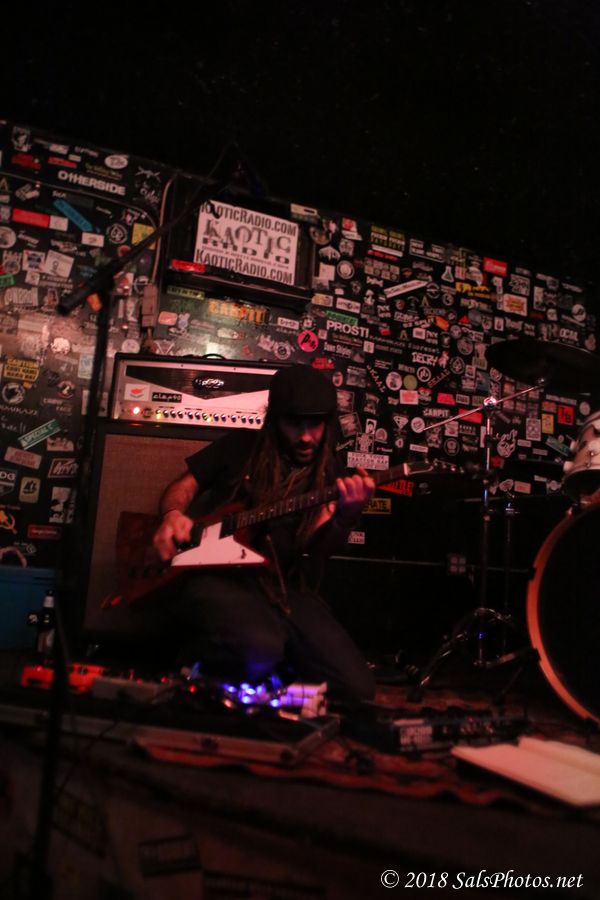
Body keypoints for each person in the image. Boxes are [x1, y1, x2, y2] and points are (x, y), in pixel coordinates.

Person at [153, 364, 376, 702]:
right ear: (274, 420)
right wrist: (172, 516)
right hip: (219, 577)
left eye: (315, 424)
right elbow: (184, 486)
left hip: (284, 587)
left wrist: (346, 517)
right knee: (259, 649)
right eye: (294, 424)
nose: (306, 437)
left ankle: (273, 663)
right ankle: (196, 662)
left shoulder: (331, 473)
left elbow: (318, 551)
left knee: (356, 688)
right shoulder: (242, 446)